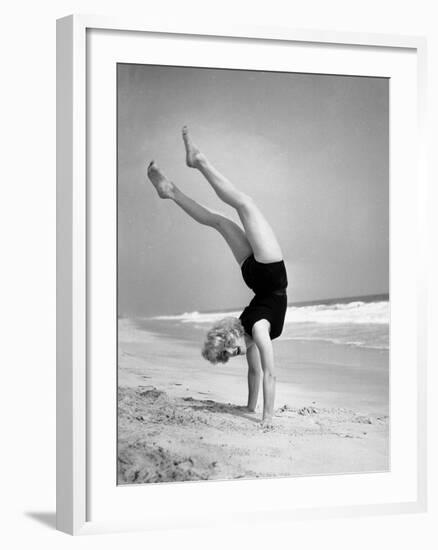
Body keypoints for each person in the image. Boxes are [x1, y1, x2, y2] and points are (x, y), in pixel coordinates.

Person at [147, 127, 288, 428]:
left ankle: (199, 161)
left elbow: (269, 374)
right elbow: (257, 373)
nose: (236, 353)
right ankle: (170, 191)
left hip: (267, 270)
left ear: (232, 334)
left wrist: (267, 419)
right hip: (257, 274)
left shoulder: (257, 332)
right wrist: (252, 409)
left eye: (231, 349)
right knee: (220, 221)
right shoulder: (252, 335)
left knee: (244, 205)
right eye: (232, 354)